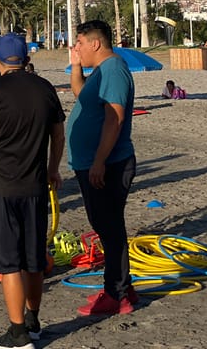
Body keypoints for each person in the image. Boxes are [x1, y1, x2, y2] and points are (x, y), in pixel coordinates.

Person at [0, 33, 65, 349]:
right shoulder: (45, 89)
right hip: (34, 187)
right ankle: (32, 321)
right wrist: (52, 168)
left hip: (1, 188)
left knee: (10, 263)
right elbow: (58, 136)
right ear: (26, 59)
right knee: (33, 258)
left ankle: (18, 332)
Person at [68, 20, 137, 317]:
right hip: (94, 163)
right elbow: (80, 94)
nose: (76, 49)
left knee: (109, 228)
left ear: (95, 43)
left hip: (108, 163)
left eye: (79, 43)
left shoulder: (114, 70)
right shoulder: (100, 72)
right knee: (106, 226)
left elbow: (114, 118)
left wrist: (98, 161)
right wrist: (74, 66)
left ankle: (117, 294)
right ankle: (121, 287)